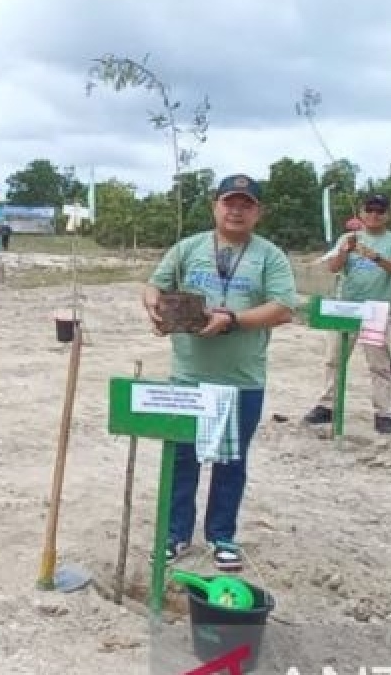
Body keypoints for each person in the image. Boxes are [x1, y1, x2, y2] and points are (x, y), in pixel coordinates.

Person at [141, 173, 296, 571]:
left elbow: (282, 308)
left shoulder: (269, 256)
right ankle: (175, 535)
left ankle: (222, 536)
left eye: (246, 204)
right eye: (230, 202)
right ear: (215, 206)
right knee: (181, 458)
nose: (236, 211)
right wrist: (155, 307)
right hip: (188, 378)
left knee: (230, 461)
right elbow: (153, 285)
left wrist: (232, 319)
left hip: (241, 380)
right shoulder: (188, 248)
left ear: (258, 212)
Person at [304, 193, 391, 434]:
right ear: (361, 213)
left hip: (376, 310)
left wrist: (374, 256)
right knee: (334, 359)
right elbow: (333, 267)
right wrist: (345, 250)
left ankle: (383, 413)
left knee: (379, 364)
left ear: (387, 215)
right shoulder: (348, 238)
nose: (374, 215)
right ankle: (327, 406)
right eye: (369, 210)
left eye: (379, 210)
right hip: (346, 308)